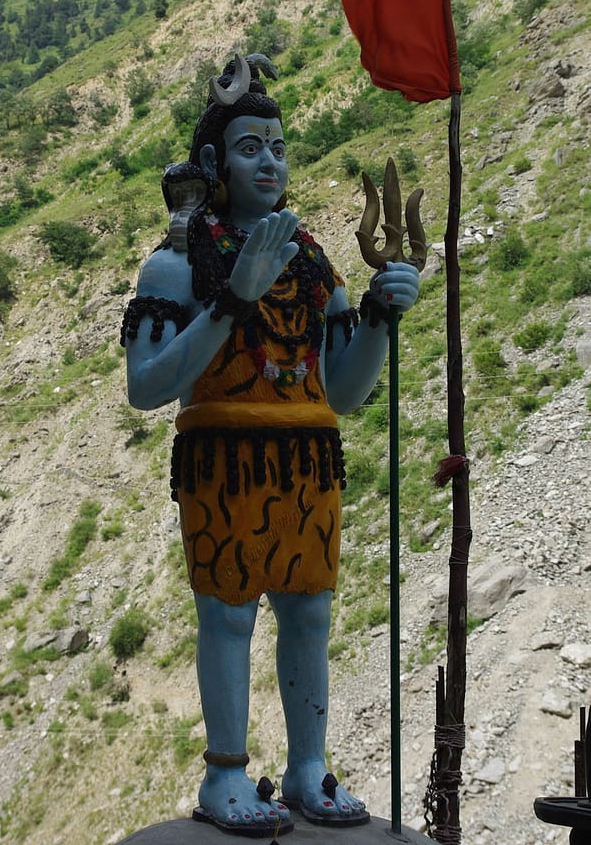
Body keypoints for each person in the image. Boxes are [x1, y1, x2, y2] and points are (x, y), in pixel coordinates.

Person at [121, 53, 420, 836]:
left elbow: (346, 392)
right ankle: (225, 774)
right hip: (222, 461)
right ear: (215, 162)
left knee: (310, 616)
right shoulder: (178, 263)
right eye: (251, 147)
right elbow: (147, 384)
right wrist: (231, 302)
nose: (271, 162)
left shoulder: (318, 265)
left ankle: (307, 766)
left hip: (308, 462)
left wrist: (383, 321)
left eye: (280, 147)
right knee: (227, 618)